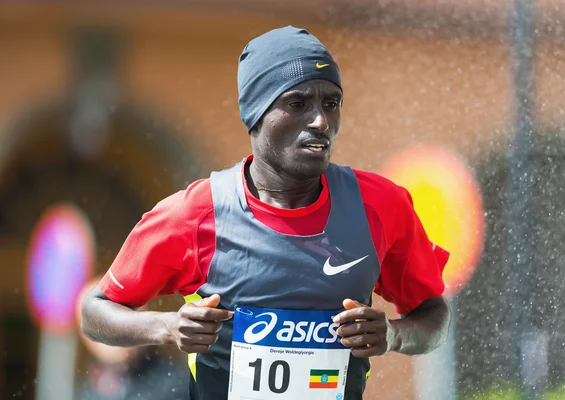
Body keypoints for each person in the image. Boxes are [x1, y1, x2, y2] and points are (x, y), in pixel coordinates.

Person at [81, 26, 451, 400]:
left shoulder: (380, 206)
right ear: (255, 114)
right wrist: (168, 326)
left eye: (331, 103)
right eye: (297, 103)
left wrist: (394, 335)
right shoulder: (195, 213)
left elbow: (434, 316)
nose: (320, 121)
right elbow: (95, 313)